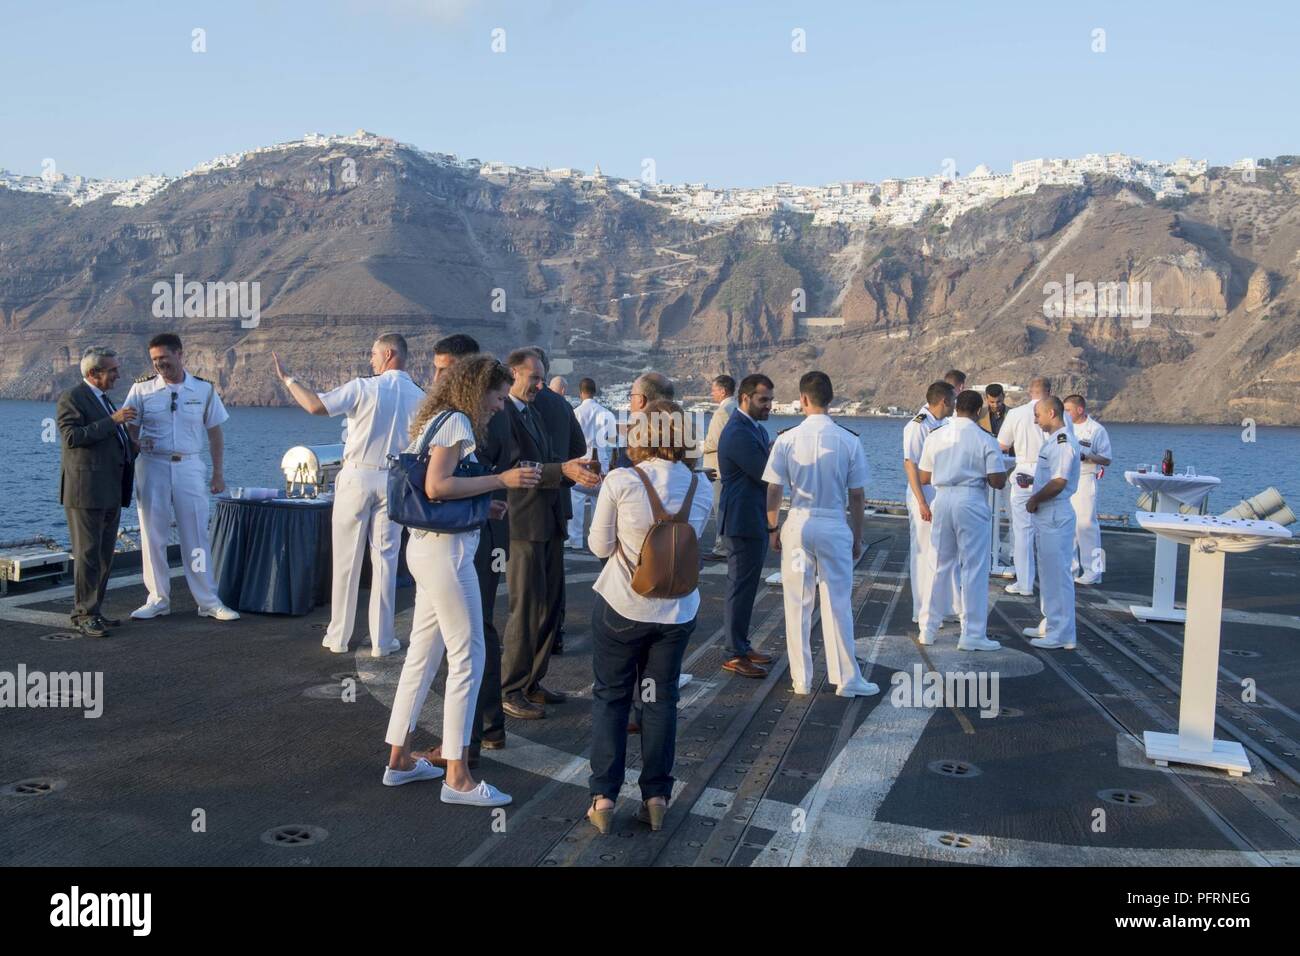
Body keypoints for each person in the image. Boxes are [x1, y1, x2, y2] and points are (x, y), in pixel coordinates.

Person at [382, 355, 538, 805]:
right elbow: (436, 487)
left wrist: (481, 506)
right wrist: (499, 481)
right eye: (497, 396)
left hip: (428, 547)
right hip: (447, 555)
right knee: (469, 654)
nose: (500, 406)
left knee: (422, 656)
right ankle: (459, 777)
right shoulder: (457, 425)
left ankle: (400, 760)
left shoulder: (437, 419)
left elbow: (439, 490)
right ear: (477, 390)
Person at [585, 399, 712, 834]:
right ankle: (656, 797)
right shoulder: (702, 486)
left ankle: (603, 798)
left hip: (624, 607)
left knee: (612, 698)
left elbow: (599, 548)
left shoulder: (621, 480)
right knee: (660, 702)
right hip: (677, 612)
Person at [274, 333, 424, 654]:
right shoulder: (420, 397)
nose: (370, 359)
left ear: (387, 354)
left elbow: (315, 406)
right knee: (385, 560)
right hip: (394, 479)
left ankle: (339, 636)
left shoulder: (364, 387)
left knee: (346, 560)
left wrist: (288, 380)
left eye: (373, 353)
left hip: (358, 475)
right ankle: (382, 641)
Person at [498, 349, 599, 719]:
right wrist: (563, 471)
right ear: (513, 374)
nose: (539, 385)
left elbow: (563, 455)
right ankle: (511, 689)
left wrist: (570, 469)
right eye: (533, 378)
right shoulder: (504, 413)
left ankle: (531, 682)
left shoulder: (537, 409)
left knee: (549, 607)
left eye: (541, 378)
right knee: (525, 609)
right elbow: (513, 467)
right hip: (523, 523)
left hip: (550, 518)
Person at [763, 371, 878, 697]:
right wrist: (857, 537)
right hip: (832, 525)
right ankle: (846, 679)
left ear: (802, 399)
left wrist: (773, 527)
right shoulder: (849, 440)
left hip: (798, 523)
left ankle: (801, 680)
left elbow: (774, 489)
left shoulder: (786, 439)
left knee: (796, 604)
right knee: (837, 602)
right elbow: (857, 496)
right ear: (831, 399)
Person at [124, 333, 240, 623]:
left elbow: (215, 434)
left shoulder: (203, 390)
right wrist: (137, 445)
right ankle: (158, 599)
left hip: (188, 465)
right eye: (154, 360)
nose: (159, 364)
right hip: (152, 467)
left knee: (196, 535)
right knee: (153, 536)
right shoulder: (141, 390)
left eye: (163, 357)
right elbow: (129, 428)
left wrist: (218, 473)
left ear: (179, 354)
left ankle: (208, 601)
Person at [917, 390, 1009, 649]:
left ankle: (928, 628)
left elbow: (924, 476)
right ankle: (973, 634)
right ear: (980, 411)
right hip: (970, 500)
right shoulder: (985, 439)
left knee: (939, 565)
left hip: (942, 498)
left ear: (956, 408)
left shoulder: (936, 435)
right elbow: (997, 482)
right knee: (974, 568)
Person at [57, 347, 136, 638]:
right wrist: (113, 421)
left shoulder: (103, 400)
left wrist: (135, 448)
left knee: (104, 556)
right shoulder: (73, 398)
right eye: (112, 370)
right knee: (88, 555)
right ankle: (83, 614)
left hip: (110, 491)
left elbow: (109, 443)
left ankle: (95, 611)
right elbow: (71, 437)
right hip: (85, 492)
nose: (118, 374)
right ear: (94, 374)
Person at [716, 373, 778, 678]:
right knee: (739, 588)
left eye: (770, 400)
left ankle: (740, 644)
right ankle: (733, 653)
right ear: (745, 398)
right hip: (741, 522)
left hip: (751, 518)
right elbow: (765, 472)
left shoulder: (753, 429)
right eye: (763, 399)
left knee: (747, 587)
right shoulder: (739, 431)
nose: (769, 406)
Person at [530, 349, 588, 655]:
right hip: (558, 498)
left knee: (526, 575)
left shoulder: (516, 406)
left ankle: (529, 637)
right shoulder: (562, 405)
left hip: (523, 502)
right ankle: (555, 632)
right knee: (554, 572)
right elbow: (580, 446)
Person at [997, 376, 1074, 596]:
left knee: (1022, 532)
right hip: (1051, 473)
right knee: (1048, 530)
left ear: (1030, 391)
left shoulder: (1015, 414)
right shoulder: (1062, 416)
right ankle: (1050, 581)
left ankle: (1025, 583)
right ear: (1049, 391)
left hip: (1024, 472)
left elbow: (1002, 445)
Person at [1021, 396, 1081, 650]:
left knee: (1058, 575)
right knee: (1047, 573)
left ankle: (1062, 633)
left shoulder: (1062, 442)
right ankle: (1051, 622)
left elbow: (1059, 481)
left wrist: (1035, 497)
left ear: (1052, 413)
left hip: (1055, 513)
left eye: (1038, 414)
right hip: (1048, 514)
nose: (1035, 420)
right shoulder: (1053, 441)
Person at [903, 381, 957, 625]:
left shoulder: (942, 424)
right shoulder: (918, 426)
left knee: (942, 551)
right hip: (923, 493)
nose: (955, 404)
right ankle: (921, 609)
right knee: (923, 551)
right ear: (944, 401)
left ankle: (942, 607)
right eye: (953, 400)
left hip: (939, 493)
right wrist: (922, 502)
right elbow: (910, 465)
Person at [1064, 394, 1112, 586]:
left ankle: (1095, 570)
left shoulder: (1096, 430)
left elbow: (1107, 459)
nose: (1065, 413)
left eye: (1068, 410)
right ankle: (1071, 567)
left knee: (1087, 526)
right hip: (1067, 479)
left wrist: (1088, 455)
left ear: (1079, 409)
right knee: (1068, 526)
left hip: (1085, 479)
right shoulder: (1064, 427)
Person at [568, 377, 617, 549]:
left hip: (582, 458)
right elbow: (612, 441)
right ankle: (597, 539)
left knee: (577, 498)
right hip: (601, 459)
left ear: (581, 392)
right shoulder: (606, 413)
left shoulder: (575, 413)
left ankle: (574, 539)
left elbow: (571, 439)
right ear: (595, 391)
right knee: (600, 501)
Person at [699, 374, 737, 560]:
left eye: (714, 389)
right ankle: (728, 545)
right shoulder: (736, 407)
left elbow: (714, 442)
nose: (712, 393)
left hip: (718, 469)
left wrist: (696, 446)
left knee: (720, 508)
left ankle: (721, 548)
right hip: (731, 467)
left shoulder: (722, 411)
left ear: (723, 391)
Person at [610, 372, 675, 470]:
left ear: (641, 400)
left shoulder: (637, 441)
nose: (630, 401)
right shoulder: (681, 438)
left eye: (631, 396)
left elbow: (622, 477)